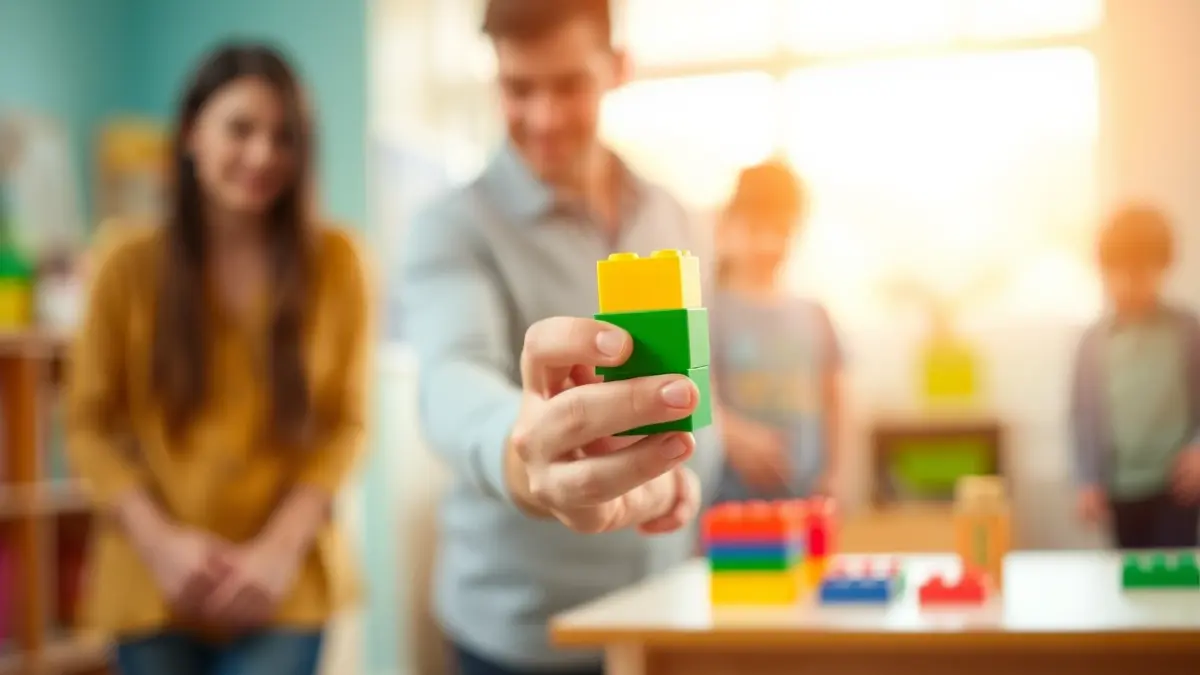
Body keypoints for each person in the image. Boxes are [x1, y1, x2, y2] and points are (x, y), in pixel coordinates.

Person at [400, 1, 721, 673]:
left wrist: (683, 479)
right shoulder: (452, 228)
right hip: (522, 635)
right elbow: (453, 380)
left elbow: (691, 381)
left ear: (617, 70)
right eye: (519, 89)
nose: (542, 118)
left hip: (661, 614)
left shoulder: (672, 214)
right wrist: (526, 454)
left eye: (570, 85)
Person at [66, 43, 370, 675]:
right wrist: (162, 545)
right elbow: (88, 425)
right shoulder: (125, 264)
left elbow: (346, 424)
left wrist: (278, 551)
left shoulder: (338, 263)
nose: (263, 154)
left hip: (284, 585)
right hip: (150, 581)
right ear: (190, 134)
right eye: (241, 128)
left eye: (284, 136)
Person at [710, 161, 843, 503]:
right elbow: (692, 397)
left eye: (782, 231)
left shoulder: (815, 315)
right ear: (727, 226)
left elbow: (836, 400)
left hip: (805, 499)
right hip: (730, 503)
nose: (769, 244)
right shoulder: (710, 313)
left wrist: (835, 476)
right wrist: (734, 435)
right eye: (756, 229)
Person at [1071, 204, 1200, 549]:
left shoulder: (1187, 331)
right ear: (1104, 271)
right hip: (1120, 488)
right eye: (1120, 273)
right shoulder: (1094, 342)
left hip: (1177, 488)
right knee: (1129, 577)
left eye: (1141, 273)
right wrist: (1088, 480)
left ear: (1163, 269)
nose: (1129, 284)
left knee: (1175, 579)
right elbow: (1082, 417)